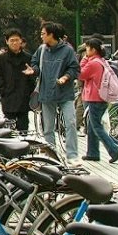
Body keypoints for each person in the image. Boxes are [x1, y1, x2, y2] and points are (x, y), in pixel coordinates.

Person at [24, 21, 81, 167]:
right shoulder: (42, 49)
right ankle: (51, 155)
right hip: (46, 93)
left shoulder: (68, 50)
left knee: (71, 122)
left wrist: (66, 77)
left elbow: (74, 68)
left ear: (51, 35)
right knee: (48, 127)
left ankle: (72, 155)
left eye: (43, 33)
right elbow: (35, 63)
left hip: (65, 93)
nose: (41, 36)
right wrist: (34, 70)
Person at [79, 38, 118, 163]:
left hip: (95, 98)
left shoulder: (93, 63)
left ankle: (114, 149)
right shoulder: (101, 61)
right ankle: (93, 153)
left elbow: (80, 74)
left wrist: (83, 59)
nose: (86, 51)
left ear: (93, 50)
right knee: (92, 126)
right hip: (100, 98)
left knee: (96, 126)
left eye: (87, 48)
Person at [0, 29, 34, 132]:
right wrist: (3, 92)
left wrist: (29, 93)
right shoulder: (1, 59)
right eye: (12, 40)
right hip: (8, 98)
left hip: (23, 99)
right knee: (9, 131)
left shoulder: (28, 58)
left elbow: (32, 79)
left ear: (21, 41)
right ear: (7, 41)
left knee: (23, 129)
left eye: (17, 40)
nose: (14, 43)